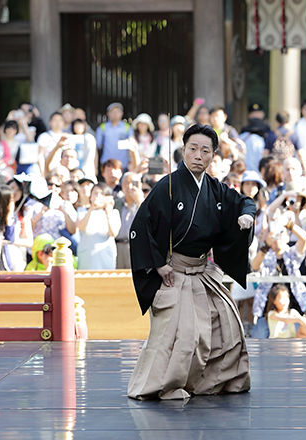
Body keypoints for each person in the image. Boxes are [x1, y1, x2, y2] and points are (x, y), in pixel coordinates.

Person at [127, 124, 256, 400]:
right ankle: (165, 385)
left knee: (228, 326)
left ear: (213, 156)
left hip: (203, 270)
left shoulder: (215, 188)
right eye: (193, 148)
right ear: (183, 150)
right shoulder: (166, 187)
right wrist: (159, 264)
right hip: (174, 271)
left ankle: (212, 382)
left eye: (205, 150)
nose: (199, 155)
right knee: (184, 337)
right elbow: (141, 227)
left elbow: (245, 201)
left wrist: (247, 216)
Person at [76, 183, 121, 270]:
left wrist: (108, 213)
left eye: (102, 194)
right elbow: (80, 227)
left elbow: (113, 233)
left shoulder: (114, 213)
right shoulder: (82, 211)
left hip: (105, 254)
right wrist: (91, 209)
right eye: (95, 193)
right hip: (87, 254)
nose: (98, 196)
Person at [114, 172, 143, 269]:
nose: (129, 186)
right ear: (122, 186)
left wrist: (140, 201)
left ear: (140, 185)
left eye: (133, 183)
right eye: (126, 183)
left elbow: (150, 221)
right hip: (118, 246)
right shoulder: (116, 203)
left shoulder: (145, 203)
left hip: (136, 247)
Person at [96, 102, 134, 171]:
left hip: (123, 163)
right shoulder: (102, 127)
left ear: (121, 113)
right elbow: (97, 145)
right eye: (113, 112)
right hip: (106, 163)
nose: (115, 114)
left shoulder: (127, 127)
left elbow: (132, 145)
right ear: (108, 114)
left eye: (117, 111)